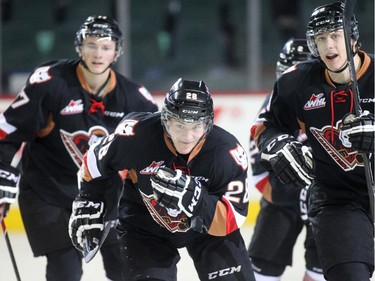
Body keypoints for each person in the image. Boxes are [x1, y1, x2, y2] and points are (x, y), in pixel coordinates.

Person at [0, 15, 158, 281]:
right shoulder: (50, 83)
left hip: (105, 195)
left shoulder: (134, 97)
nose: (98, 53)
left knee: (126, 267)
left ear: (116, 52)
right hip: (48, 191)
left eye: (106, 46)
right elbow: (8, 131)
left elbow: (154, 150)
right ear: (79, 47)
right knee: (66, 270)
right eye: (91, 44)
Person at [68, 78, 256, 281]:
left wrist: (196, 201)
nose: (188, 136)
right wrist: (90, 199)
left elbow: (232, 219)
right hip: (144, 227)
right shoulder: (135, 134)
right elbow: (94, 162)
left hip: (208, 231)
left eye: (196, 126)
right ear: (166, 119)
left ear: (208, 124)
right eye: (180, 125)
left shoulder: (226, 153)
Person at [251, 2, 374, 281]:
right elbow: (265, 126)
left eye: (336, 36)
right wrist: (279, 145)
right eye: (321, 38)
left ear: (353, 39)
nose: (328, 46)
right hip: (338, 199)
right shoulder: (297, 82)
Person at [248, 38, 324, 281]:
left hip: (327, 199)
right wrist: (296, 194)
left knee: (324, 271)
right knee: (261, 271)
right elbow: (261, 178)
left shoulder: (333, 104)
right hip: (283, 199)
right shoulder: (268, 112)